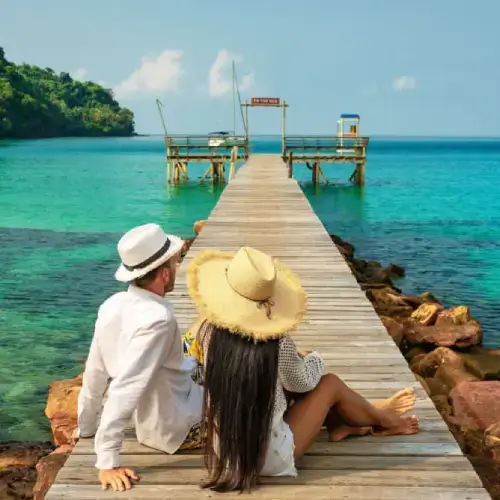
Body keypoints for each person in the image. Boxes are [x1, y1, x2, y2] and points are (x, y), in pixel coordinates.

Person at [186, 246, 420, 492]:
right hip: (267, 458)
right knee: (329, 383)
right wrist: (311, 357)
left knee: (277, 385)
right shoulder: (277, 343)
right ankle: (385, 420)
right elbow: (304, 383)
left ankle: (344, 423)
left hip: (224, 449)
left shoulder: (207, 333)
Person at [77, 223, 204, 492]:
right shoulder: (158, 320)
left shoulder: (111, 305)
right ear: (165, 275)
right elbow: (126, 387)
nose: (178, 269)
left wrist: (86, 426)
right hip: (175, 429)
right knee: (248, 378)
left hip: (155, 411)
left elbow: (95, 373)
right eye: (176, 263)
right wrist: (107, 461)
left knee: (205, 340)